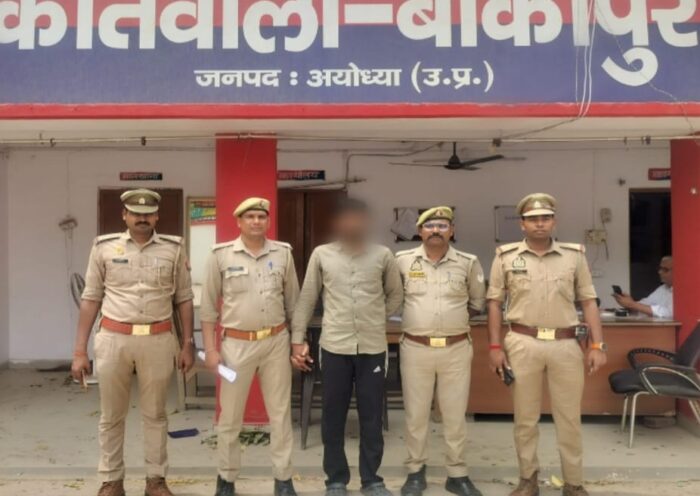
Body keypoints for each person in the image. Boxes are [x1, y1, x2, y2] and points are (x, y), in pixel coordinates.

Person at [71, 188, 195, 496]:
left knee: (156, 415)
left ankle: (156, 480)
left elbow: (184, 298)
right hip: (114, 340)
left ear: (156, 216)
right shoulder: (103, 248)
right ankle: (111, 481)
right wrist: (79, 351)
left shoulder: (173, 249)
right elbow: (91, 298)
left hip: (158, 339)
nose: (142, 218)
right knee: (111, 416)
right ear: (124, 215)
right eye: (136, 213)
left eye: (148, 213)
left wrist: (187, 344)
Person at [486, 193, 608, 496]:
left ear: (554, 222)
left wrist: (597, 345)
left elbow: (589, 301)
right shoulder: (504, 257)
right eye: (532, 219)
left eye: (545, 218)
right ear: (522, 224)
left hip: (565, 345)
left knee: (569, 418)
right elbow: (494, 303)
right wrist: (495, 348)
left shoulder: (574, 256)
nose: (539, 223)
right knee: (525, 419)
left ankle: (574, 483)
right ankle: (528, 480)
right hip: (522, 342)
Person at [291, 198, 403, 496]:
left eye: (357, 218)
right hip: (335, 347)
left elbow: (395, 295)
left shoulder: (382, 255)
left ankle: (372, 479)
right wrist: (298, 339)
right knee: (333, 415)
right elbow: (307, 297)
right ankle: (336, 480)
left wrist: (374, 317)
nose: (351, 223)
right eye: (346, 218)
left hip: (372, 349)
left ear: (365, 222)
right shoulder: (322, 254)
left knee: (371, 416)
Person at [200, 197, 300, 496]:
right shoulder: (220, 255)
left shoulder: (283, 254)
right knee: (230, 417)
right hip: (236, 346)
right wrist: (210, 349)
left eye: (261, 216)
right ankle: (226, 478)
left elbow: (293, 304)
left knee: (280, 415)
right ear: (239, 222)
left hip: (276, 343)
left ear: (268, 221)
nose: (256, 221)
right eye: (250, 217)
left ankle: (284, 479)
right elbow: (208, 308)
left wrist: (298, 342)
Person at [395, 206, 486, 496]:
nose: (436, 230)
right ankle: (415, 472)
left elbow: (477, 303)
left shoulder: (468, 263)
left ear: (452, 230)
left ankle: (457, 474)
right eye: (430, 225)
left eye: (443, 225)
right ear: (420, 231)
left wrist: (450, 321)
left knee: (455, 415)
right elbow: (393, 297)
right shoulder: (402, 261)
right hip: (415, 348)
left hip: (455, 348)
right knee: (416, 414)